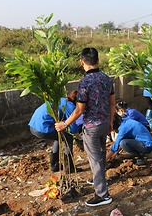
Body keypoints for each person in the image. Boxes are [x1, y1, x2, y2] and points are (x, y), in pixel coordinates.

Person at [55, 47, 115, 207]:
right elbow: (112, 103)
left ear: (82, 62)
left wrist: (64, 124)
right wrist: (110, 122)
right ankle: (100, 180)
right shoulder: (107, 79)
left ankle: (103, 195)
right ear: (98, 61)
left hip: (91, 127)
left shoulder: (84, 83)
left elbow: (79, 110)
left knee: (95, 160)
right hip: (104, 124)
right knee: (100, 155)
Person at [29, 93, 81, 172]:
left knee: (60, 135)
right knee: (68, 137)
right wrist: (79, 138)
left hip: (33, 125)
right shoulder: (71, 107)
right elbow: (73, 127)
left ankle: (54, 165)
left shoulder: (62, 100)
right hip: (42, 128)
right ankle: (69, 167)